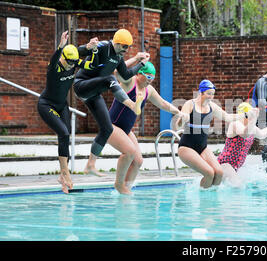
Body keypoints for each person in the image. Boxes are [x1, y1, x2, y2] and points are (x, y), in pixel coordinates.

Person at [83, 60, 189, 194]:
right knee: (129, 152)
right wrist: (137, 59)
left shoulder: (148, 90)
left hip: (126, 130)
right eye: (149, 77)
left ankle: (126, 189)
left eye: (153, 77)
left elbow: (163, 104)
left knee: (138, 161)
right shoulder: (130, 82)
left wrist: (178, 112)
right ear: (140, 74)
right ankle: (119, 184)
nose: (151, 80)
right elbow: (117, 73)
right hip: (111, 125)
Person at [73, 28, 150, 177]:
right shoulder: (103, 46)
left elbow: (126, 75)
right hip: (82, 85)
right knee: (110, 79)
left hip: (93, 93)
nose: (125, 50)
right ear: (116, 43)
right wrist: (88, 47)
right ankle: (132, 105)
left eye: (128, 47)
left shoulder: (118, 57)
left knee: (107, 128)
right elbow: (77, 52)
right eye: (124, 47)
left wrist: (140, 63)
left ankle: (90, 165)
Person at [37, 31, 99, 194]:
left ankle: (61, 176)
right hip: (46, 105)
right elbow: (55, 57)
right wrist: (60, 46)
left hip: (61, 105)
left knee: (65, 137)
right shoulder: (55, 67)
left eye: (74, 63)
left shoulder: (72, 61)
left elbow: (86, 62)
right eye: (69, 62)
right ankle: (66, 173)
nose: (72, 66)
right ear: (63, 58)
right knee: (63, 133)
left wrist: (90, 47)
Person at [176, 79, 248, 189]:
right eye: (209, 94)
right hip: (186, 147)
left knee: (219, 173)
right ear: (201, 93)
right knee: (209, 173)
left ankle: (211, 200)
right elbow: (178, 126)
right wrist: (182, 119)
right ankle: (202, 197)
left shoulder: (212, 107)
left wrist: (245, 115)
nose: (211, 97)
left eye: (213, 94)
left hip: (202, 148)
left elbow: (227, 117)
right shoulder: (190, 104)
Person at [217, 102, 267, 187]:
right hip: (225, 164)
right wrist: (254, 119)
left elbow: (263, 134)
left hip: (235, 167)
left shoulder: (251, 127)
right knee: (238, 187)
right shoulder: (235, 124)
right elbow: (245, 134)